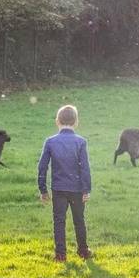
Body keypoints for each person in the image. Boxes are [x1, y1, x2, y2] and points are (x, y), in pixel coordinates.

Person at [37, 105, 92, 262]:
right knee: (79, 220)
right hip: (77, 189)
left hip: (59, 189)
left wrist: (43, 189)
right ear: (76, 122)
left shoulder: (50, 142)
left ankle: (60, 254)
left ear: (57, 121)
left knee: (59, 221)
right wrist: (86, 189)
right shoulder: (81, 142)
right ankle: (83, 250)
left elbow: (42, 167)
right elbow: (85, 168)